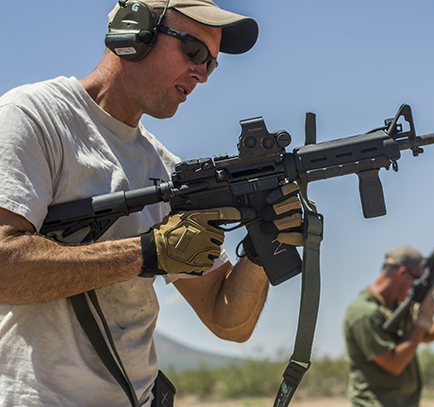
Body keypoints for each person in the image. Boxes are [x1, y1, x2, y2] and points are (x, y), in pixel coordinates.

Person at [0, 1, 305, 406]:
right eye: (194, 51)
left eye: (211, 64)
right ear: (135, 32)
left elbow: (227, 320)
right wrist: (144, 253)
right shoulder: (35, 117)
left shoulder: (166, 168)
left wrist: (262, 245)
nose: (202, 74)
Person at [343, 246, 434, 407]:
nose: (415, 288)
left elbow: (422, 335)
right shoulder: (363, 313)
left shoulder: (394, 307)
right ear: (403, 274)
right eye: (417, 280)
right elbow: (394, 363)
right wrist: (422, 320)